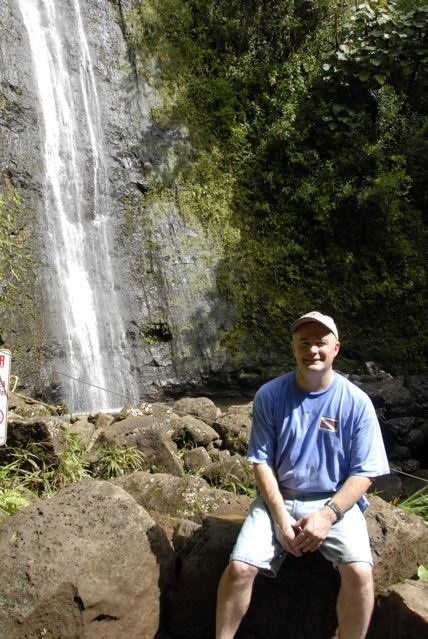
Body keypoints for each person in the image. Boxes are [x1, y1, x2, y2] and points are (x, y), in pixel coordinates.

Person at [216, 311, 390, 639]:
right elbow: (262, 462)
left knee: (360, 574)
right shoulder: (270, 395)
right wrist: (281, 518)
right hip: (278, 497)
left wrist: (327, 515)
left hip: (336, 501)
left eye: (320, 343)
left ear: (335, 348)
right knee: (239, 568)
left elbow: (365, 473)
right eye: (304, 343)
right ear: (294, 348)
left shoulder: (356, 403)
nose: (313, 350)